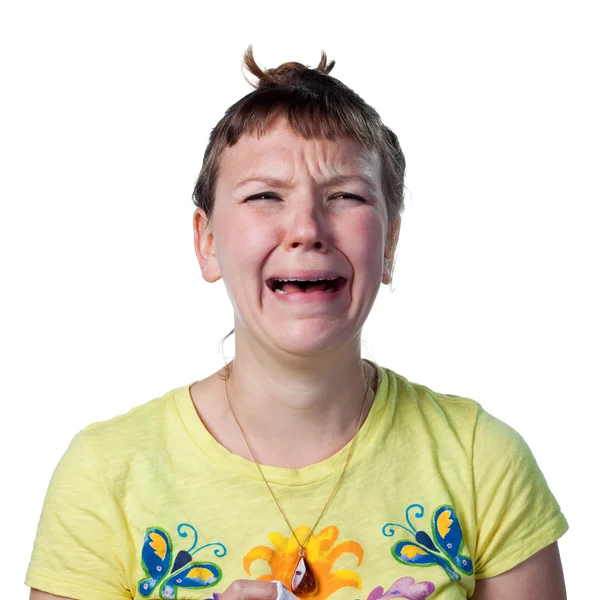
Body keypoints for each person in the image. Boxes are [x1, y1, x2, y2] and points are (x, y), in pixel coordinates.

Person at [26, 47, 568, 600]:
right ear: (207, 242)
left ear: (390, 245)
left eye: (345, 196)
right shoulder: (105, 475)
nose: (306, 228)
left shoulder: (482, 461)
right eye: (265, 196)